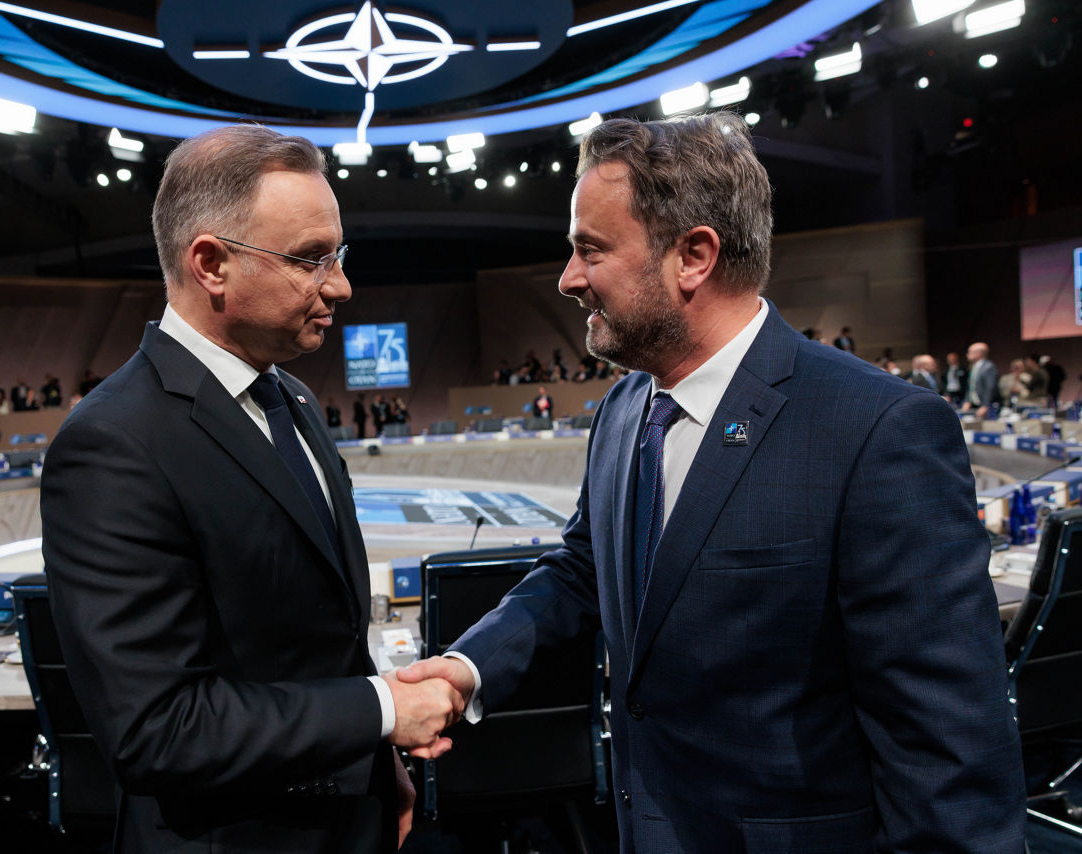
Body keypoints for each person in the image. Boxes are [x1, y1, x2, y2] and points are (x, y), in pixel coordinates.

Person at [399, 113, 1024, 853]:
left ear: (693, 256)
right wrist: (469, 668)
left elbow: (948, 747)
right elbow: (583, 571)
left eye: (589, 250)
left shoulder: (877, 430)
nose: (568, 279)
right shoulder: (625, 409)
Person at [40, 124, 462, 854]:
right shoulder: (113, 443)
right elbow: (155, 730)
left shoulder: (291, 399)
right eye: (308, 260)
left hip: (351, 815)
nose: (340, 285)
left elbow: (319, 641)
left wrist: (374, 759)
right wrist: (382, 711)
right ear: (211, 264)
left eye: (338, 255)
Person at [964, 341, 999, 418]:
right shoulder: (974, 367)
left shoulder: (988, 367)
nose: (967, 354)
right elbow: (971, 386)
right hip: (974, 405)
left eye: (970, 352)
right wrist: (967, 401)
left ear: (979, 353)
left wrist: (985, 405)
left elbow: (990, 388)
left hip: (986, 407)